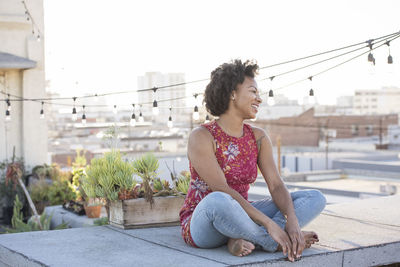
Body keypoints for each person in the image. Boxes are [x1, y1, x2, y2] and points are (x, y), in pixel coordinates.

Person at [179, 59, 326, 262]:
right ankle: (273, 242)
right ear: (232, 93)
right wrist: (270, 224)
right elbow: (222, 189)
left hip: (244, 217)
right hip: (205, 221)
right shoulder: (202, 136)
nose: (259, 99)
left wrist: (292, 221)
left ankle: (242, 239)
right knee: (218, 200)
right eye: (253, 92)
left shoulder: (258, 137)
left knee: (314, 198)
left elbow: (275, 185)